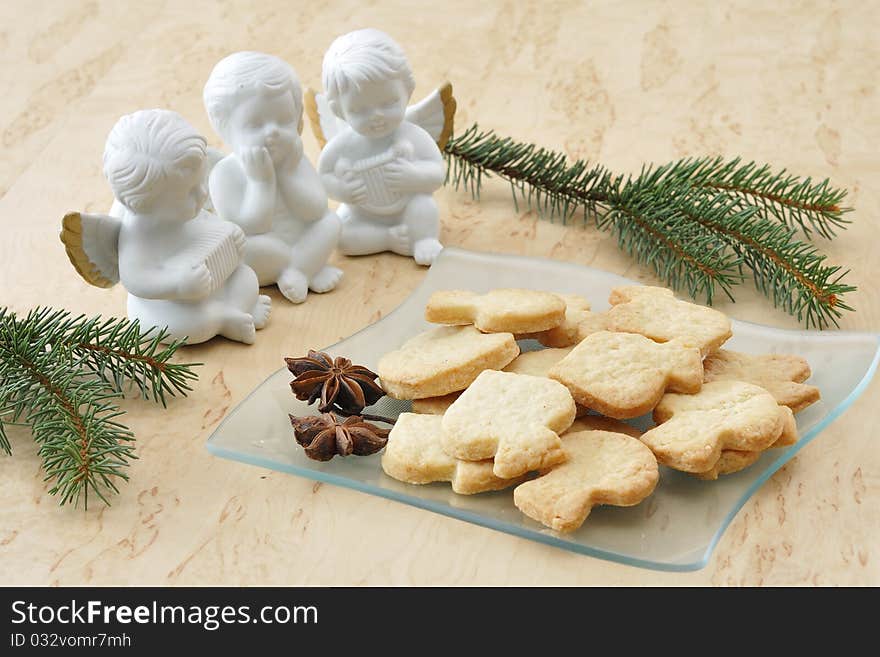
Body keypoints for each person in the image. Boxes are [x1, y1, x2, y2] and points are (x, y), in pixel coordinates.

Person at [205, 51, 342, 303]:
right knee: (243, 247)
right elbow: (250, 227)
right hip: (264, 251)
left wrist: (288, 174)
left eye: (284, 121)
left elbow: (314, 210)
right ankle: (296, 270)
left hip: (304, 242)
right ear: (226, 129)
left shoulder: (294, 160)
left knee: (330, 222)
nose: (273, 132)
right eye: (255, 125)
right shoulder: (224, 174)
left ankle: (300, 270)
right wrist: (261, 182)